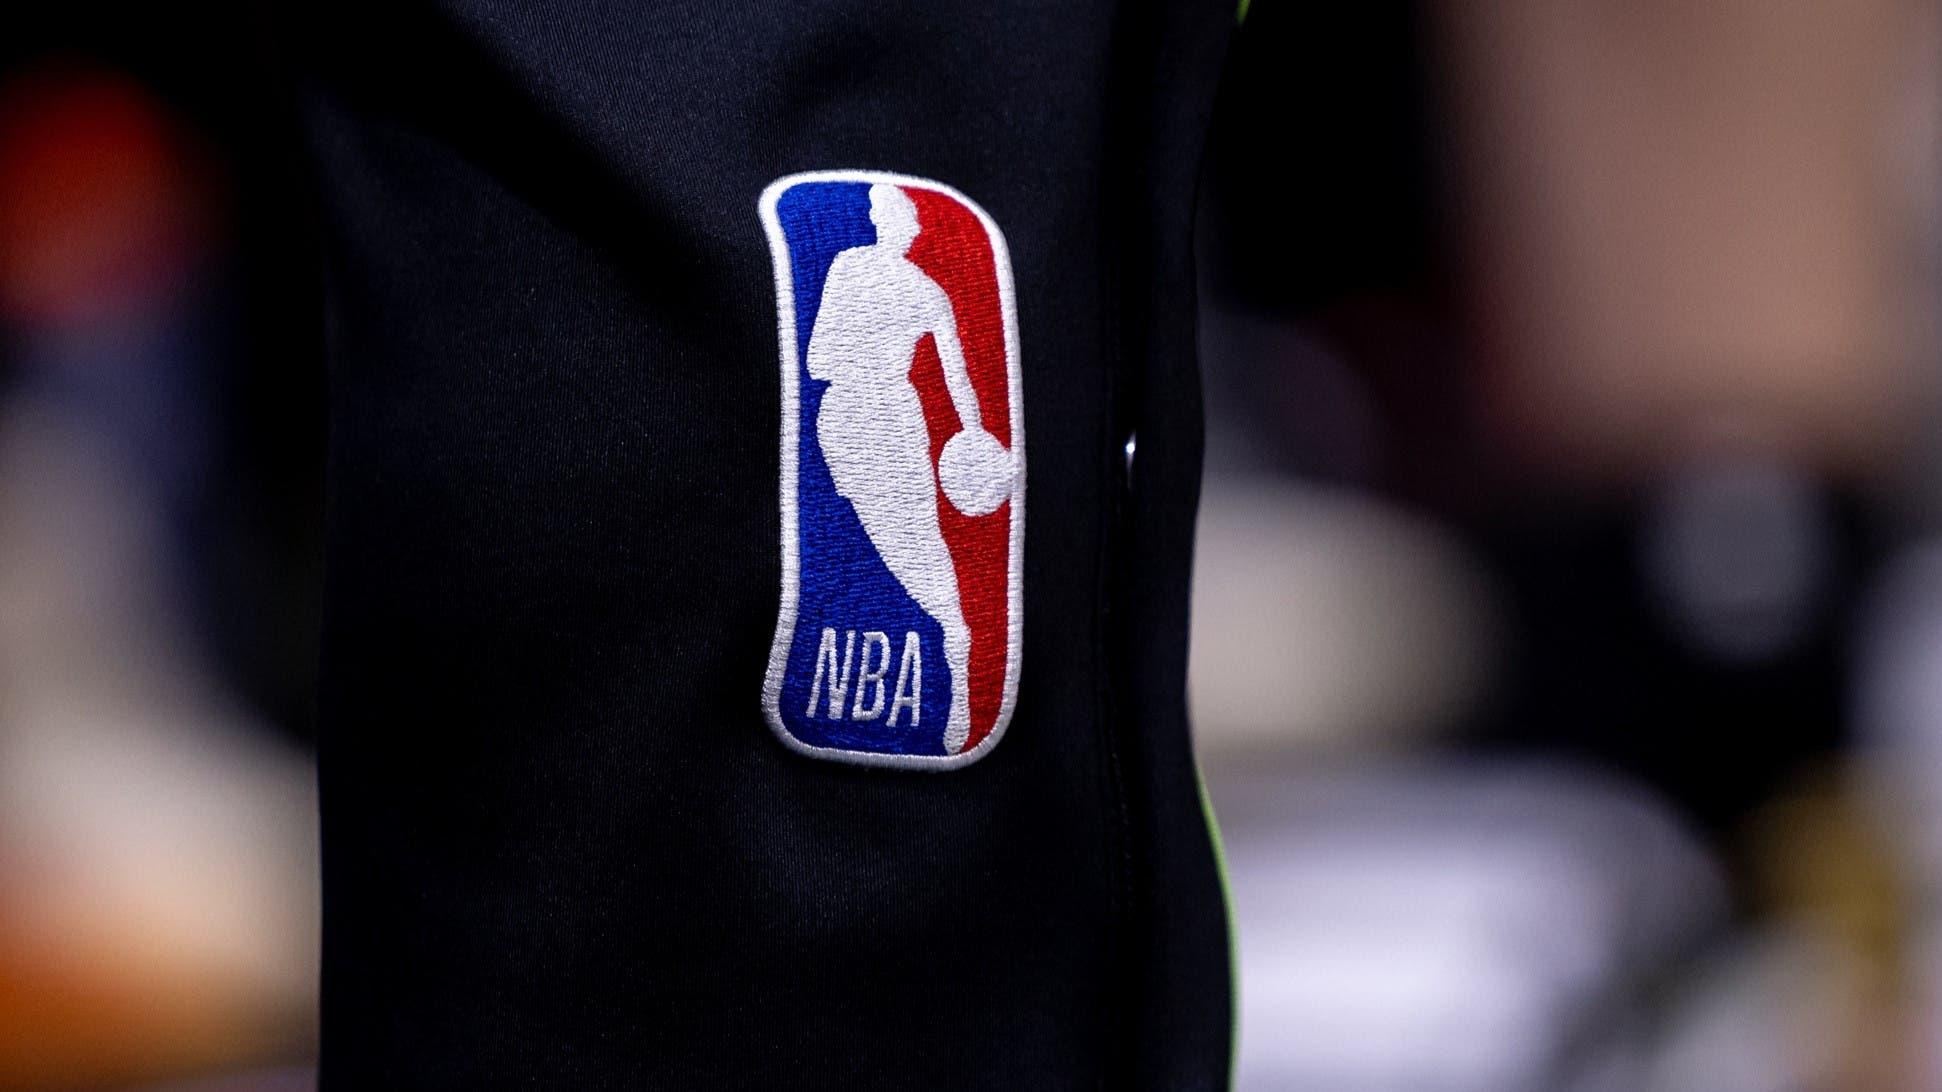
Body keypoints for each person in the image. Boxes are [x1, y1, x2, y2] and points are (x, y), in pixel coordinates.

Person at [806, 183, 1001, 753]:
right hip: (870, 414)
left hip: (858, 414)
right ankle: (954, 639)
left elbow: (821, 358)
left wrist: (971, 437)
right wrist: (970, 432)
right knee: (887, 543)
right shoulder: (917, 288)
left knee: (905, 543)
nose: (907, 229)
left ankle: (956, 650)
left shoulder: (861, 272)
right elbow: (956, 379)